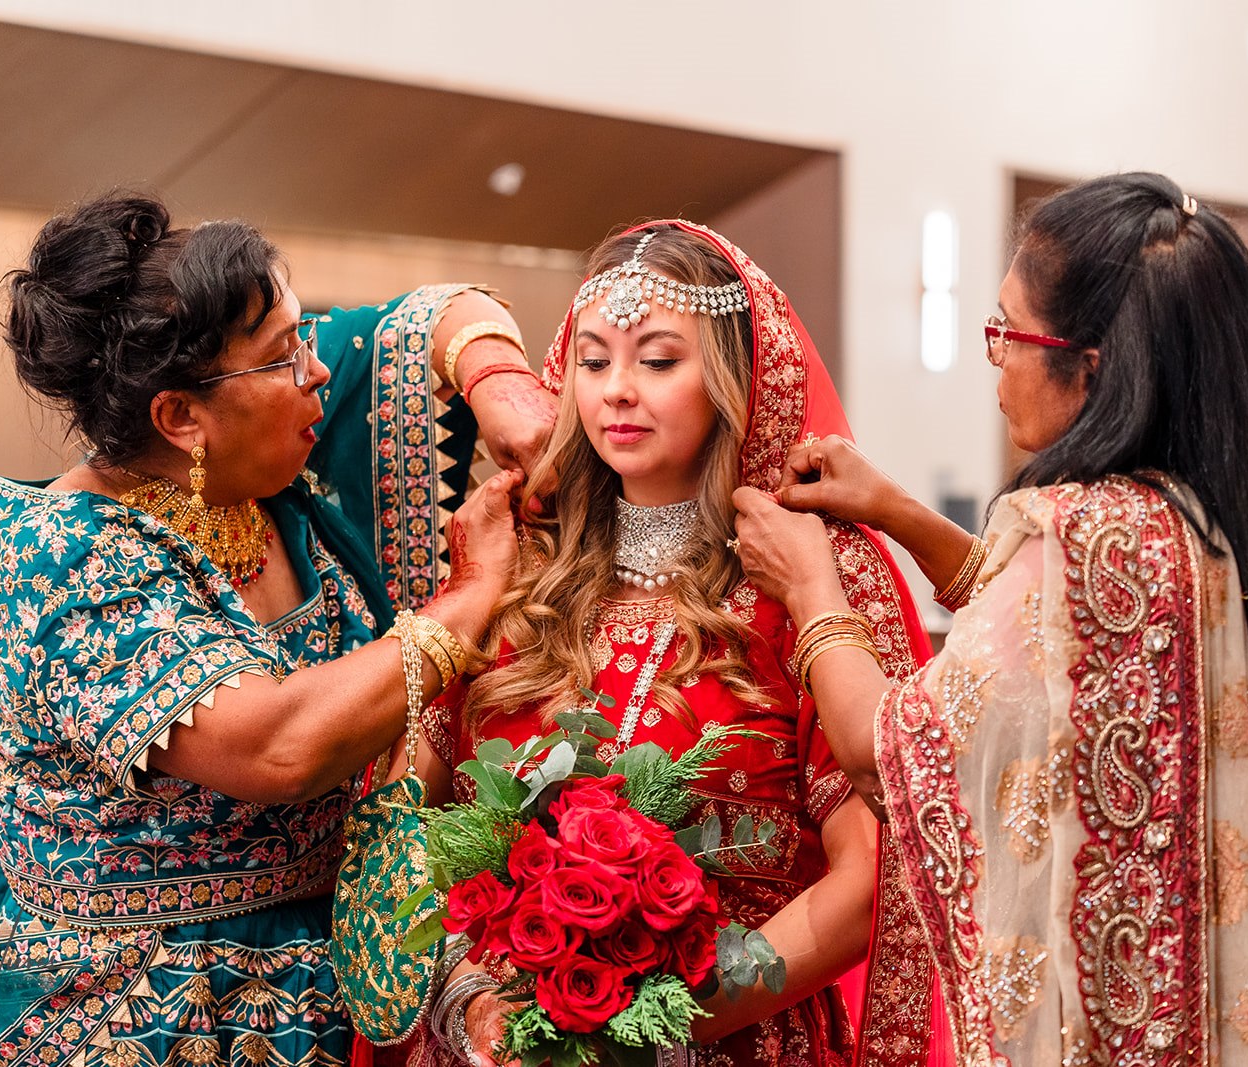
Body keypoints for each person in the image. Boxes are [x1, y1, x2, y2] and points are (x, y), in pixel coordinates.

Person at [733, 172, 1248, 1065]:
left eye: (1008, 332)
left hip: (1164, 1027)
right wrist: (898, 511)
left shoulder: (1092, 535)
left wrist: (810, 590)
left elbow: (890, 750)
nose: (997, 361)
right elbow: (1064, 640)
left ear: (1092, 367)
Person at [0, 191, 557, 1067]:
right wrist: (473, 593)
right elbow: (278, 746)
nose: (317, 371)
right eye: (285, 354)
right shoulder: (59, 556)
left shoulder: (256, 446)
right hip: (129, 1010)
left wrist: (503, 386)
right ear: (181, 417)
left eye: (304, 336)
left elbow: (429, 320)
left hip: (326, 996)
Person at [400, 221, 937, 1067]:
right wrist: (471, 997)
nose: (617, 389)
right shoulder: (515, 569)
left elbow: (871, 870)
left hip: (733, 1040)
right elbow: (406, 826)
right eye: (594, 359)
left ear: (728, 378)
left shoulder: (803, 575)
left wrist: (645, 1031)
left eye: (656, 361)